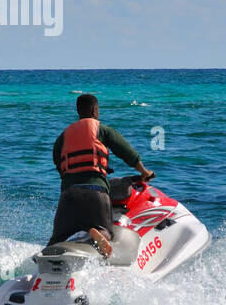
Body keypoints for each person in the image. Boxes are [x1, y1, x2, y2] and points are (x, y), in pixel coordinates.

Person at [48, 93, 154, 258]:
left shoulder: (63, 136)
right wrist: (144, 172)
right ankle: (99, 237)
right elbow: (127, 152)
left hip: (68, 196)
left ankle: (47, 257)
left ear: (78, 111)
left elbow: (58, 162)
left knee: (57, 238)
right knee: (105, 231)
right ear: (94, 110)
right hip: (95, 192)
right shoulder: (102, 130)